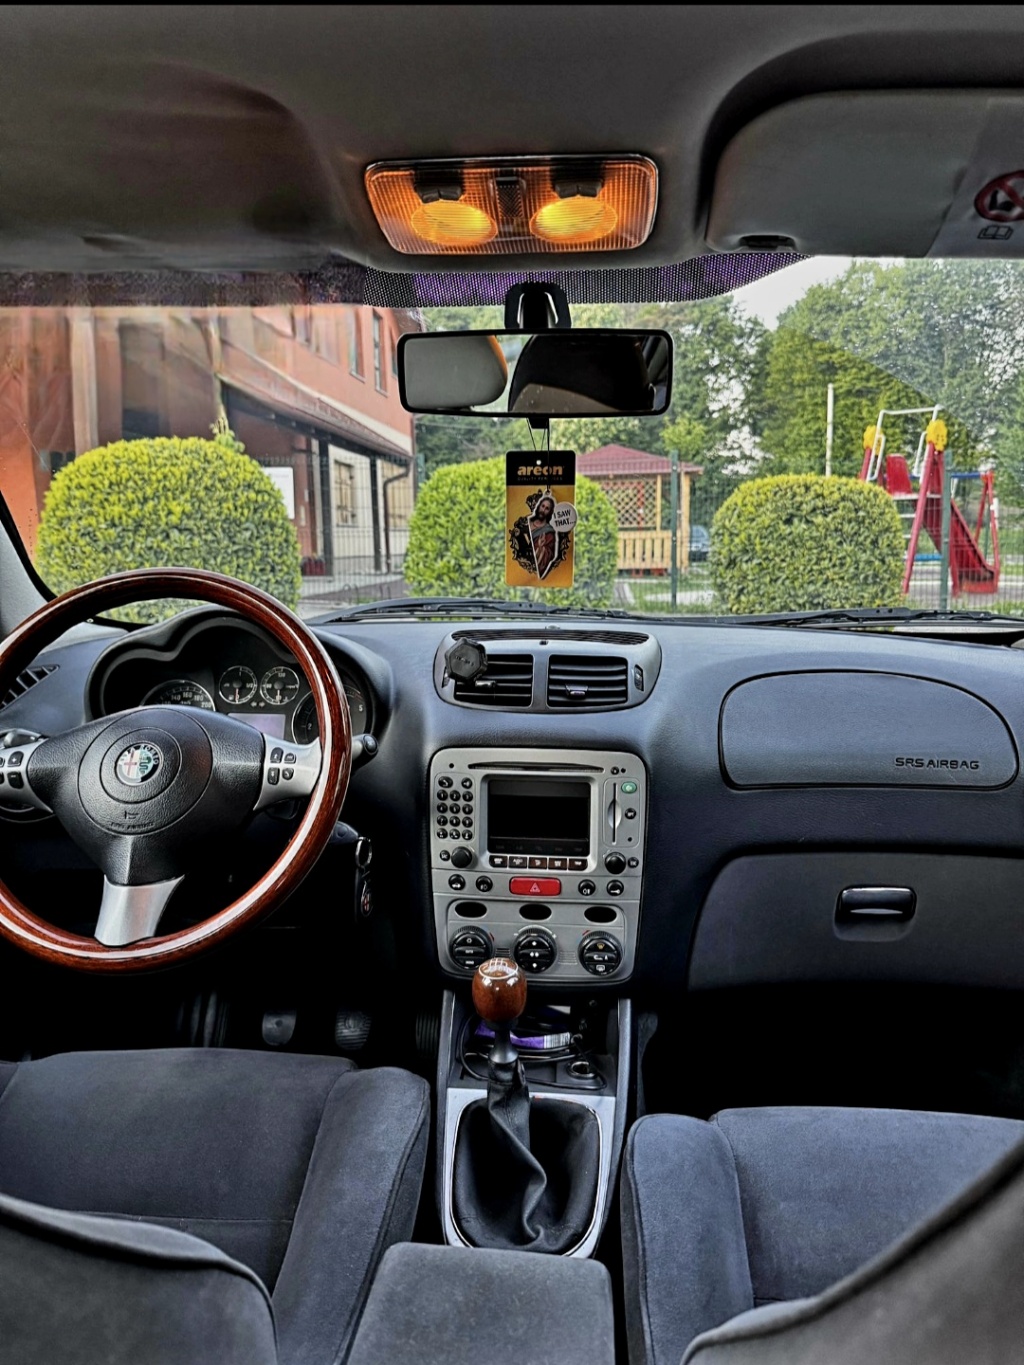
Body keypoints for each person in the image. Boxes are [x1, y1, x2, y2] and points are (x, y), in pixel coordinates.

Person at [529, 495, 558, 579]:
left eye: (547, 508)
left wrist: (540, 547)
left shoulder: (549, 533)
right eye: (542, 506)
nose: (543, 510)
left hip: (531, 573)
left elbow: (549, 556)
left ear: (550, 512)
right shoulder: (527, 522)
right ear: (539, 506)